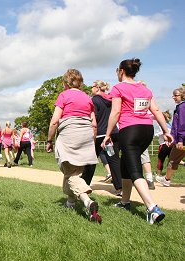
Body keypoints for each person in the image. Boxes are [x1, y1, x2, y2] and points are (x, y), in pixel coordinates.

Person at [102, 58, 172, 224]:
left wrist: (107, 134)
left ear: (121, 71)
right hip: (146, 131)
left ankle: (152, 208)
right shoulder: (145, 89)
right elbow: (155, 109)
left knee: (134, 171)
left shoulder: (118, 88)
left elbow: (115, 112)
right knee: (125, 166)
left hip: (130, 131)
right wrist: (165, 130)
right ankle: (125, 202)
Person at [46, 69, 102, 223]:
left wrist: (49, 140)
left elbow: (54, 121)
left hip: (70, 134)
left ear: (66, 83)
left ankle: (87, 201)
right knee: (74, 172)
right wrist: (91, 141)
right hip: (86, 134)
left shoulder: (64, 95)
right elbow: (94, 124)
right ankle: (70, 203)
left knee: (70, 173)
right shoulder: (87, 98)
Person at [81, 80, 123, 195]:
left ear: (97, 88)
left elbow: (95, 118)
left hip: (100, 134)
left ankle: (84, 184)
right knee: (113, 159)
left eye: (92, 86)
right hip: (113, 133)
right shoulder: (112, 99)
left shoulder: (95, 100)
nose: (91, 89)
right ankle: (119, 187)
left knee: (91, 158)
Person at [156, 87, 185, 187]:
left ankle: (166, 179)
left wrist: (180, 140)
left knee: (173, 160)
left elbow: (181, 125)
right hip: (179, 139)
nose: (173, 97)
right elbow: (175, 126)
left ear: (182, 95)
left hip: (182, 140)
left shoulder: (182, 107)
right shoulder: (179, 107)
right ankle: (166, 179)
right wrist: (171, 137)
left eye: (176, 95)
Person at [155, 111, 172, 176]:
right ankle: (168, 175)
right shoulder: (170, 125)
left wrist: (156, 134)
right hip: (170, 145)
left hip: (163, 144)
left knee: (160, 160)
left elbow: (162, 133)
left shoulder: (162, 124)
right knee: (171, 160)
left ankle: (158, 175)